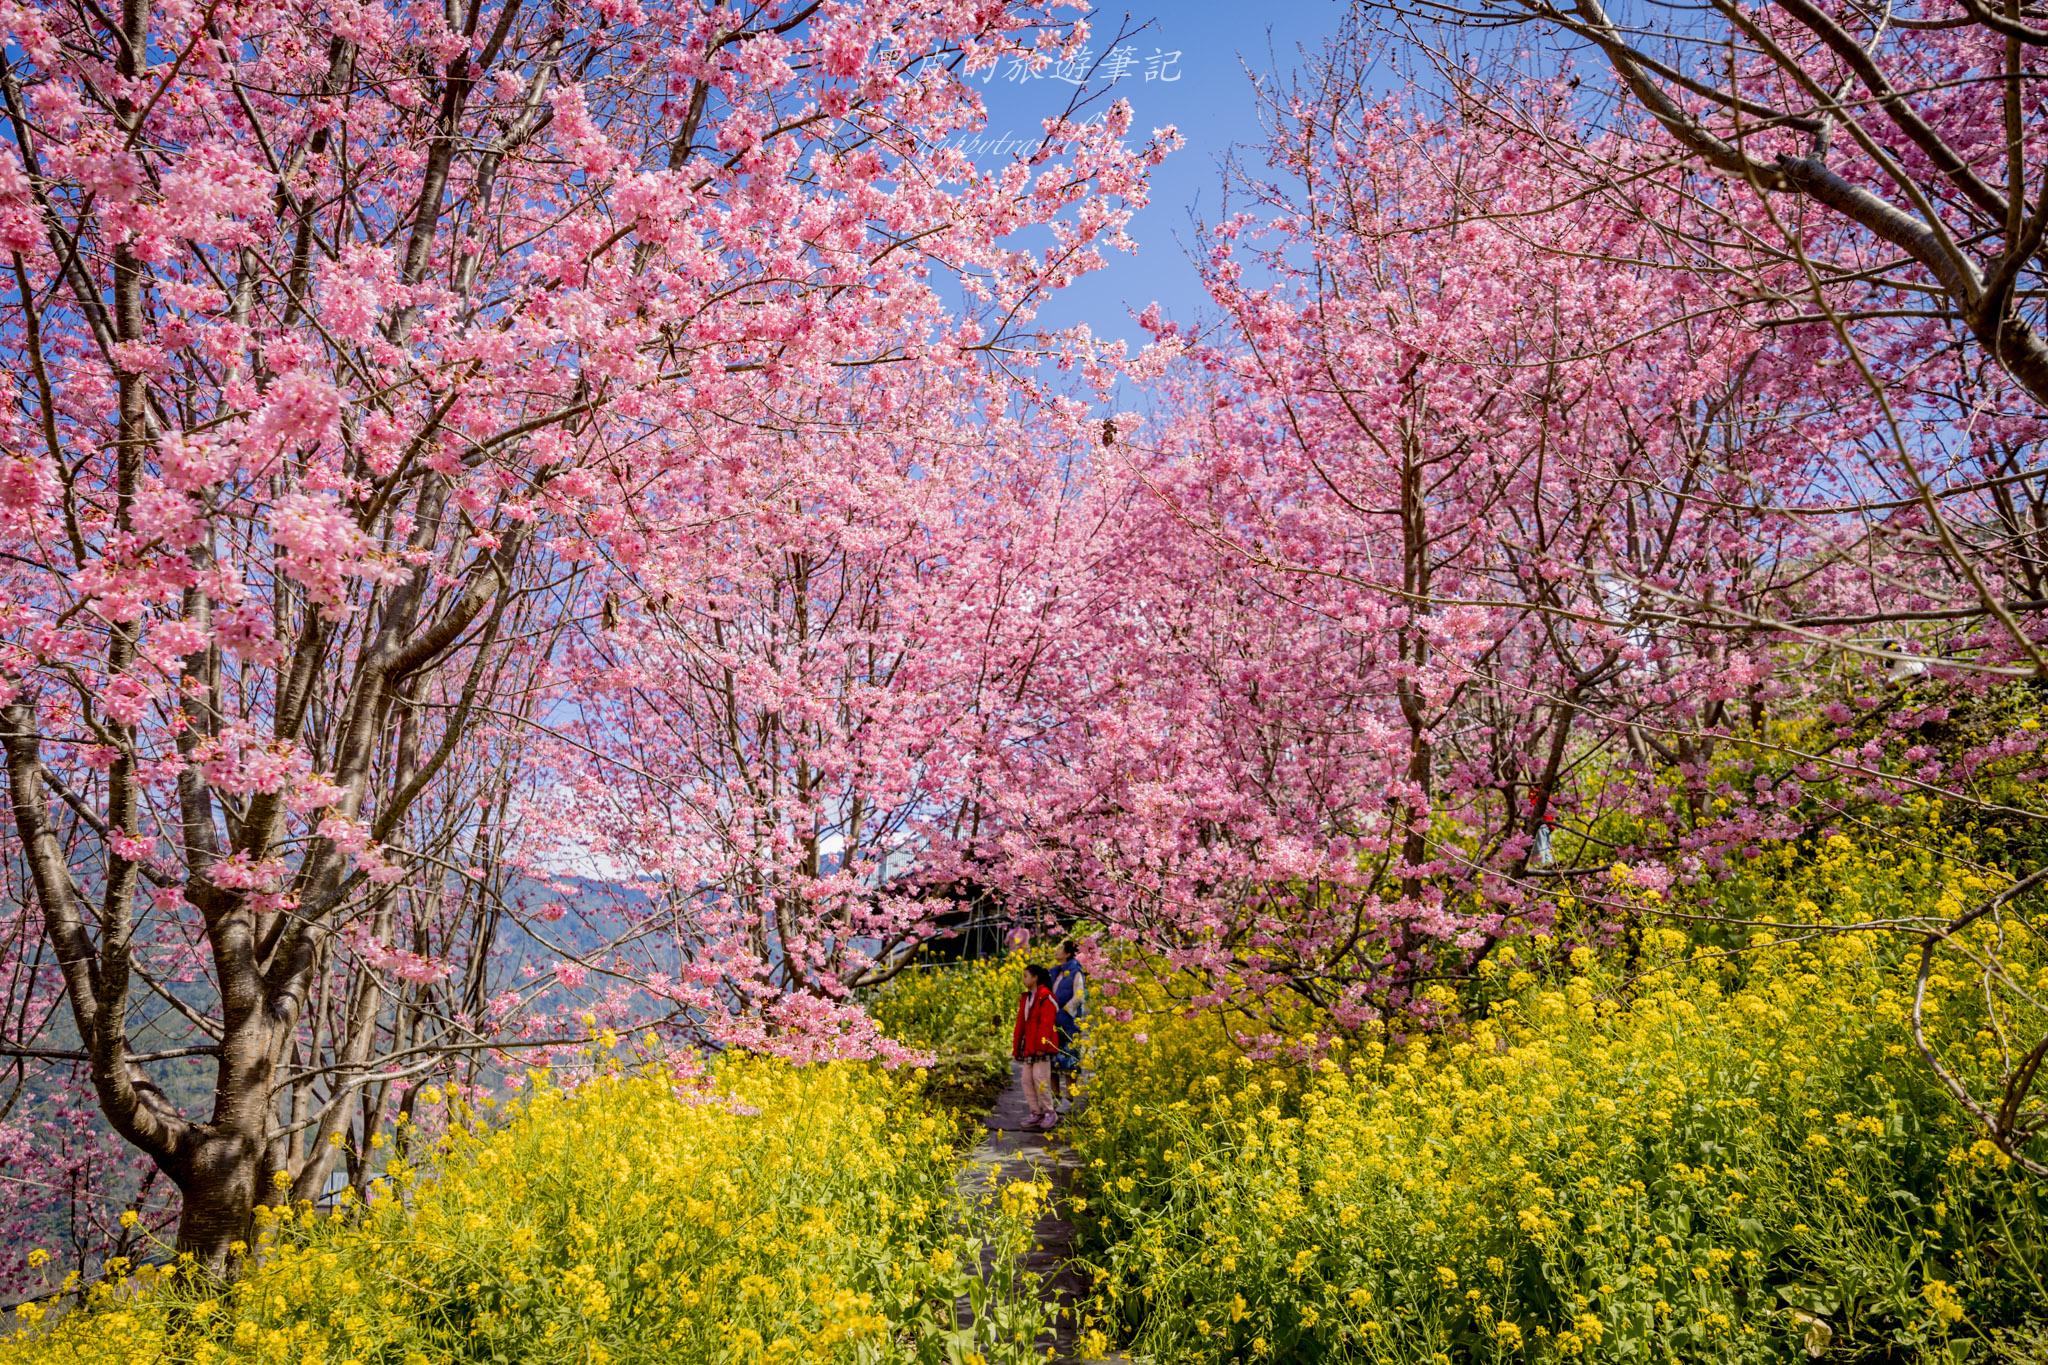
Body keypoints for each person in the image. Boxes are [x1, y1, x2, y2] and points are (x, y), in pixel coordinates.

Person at [1011, 964, 1061, 1130]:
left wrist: (1042, 1044)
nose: (1024, 979)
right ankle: (1035, 1112)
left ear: (1035, 978)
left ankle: (1049, 1112)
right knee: (1026, 1080)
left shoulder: (1046, 997)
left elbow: (1046, 1023)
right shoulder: (1026, 998)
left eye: (1026, 976)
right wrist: (1016, 1047)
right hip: (1029, 1047)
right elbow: (1020, 1024)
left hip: (1041, 1047)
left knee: (1040, 1080)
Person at [1048, 939, 1086, 1113]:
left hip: (1068, 1022)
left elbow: (1079, 996)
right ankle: (1055, 1096)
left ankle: (1069, 1098)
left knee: (1069, 1060)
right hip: (1052, 1021)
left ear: (1068, 953)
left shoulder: (1076, 972)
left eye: (1060, 948)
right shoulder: (1055, 972)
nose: (1056, 951)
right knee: (1052, 1060)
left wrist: (1064, 1012)